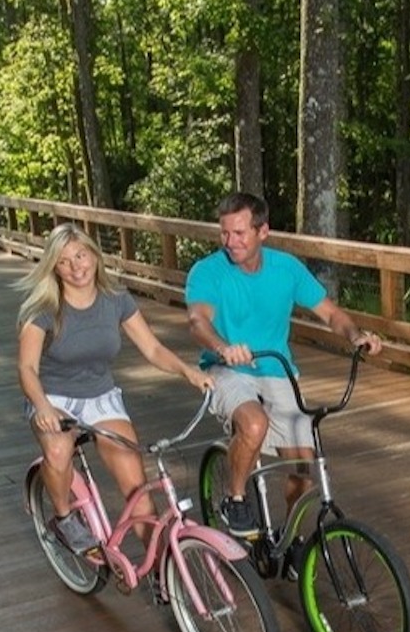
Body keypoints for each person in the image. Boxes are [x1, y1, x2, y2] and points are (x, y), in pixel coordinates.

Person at [184, 191, 382, 538]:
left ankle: (291, 537)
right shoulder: (208, 271)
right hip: (227, 369)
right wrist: (223, 347)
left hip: (276, 369)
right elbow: (198, 321)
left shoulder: (286, 268)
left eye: (240, 233)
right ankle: (235, 496)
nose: (230, 242)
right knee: (254, 425)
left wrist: (355, 335)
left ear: (263, 232)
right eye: (225, 233)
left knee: (304, 465)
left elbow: (330, 313)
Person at [19, 222, 214, 555]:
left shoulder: (116, 299)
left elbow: (152, 349)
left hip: (100, 395)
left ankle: (161, 571)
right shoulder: (44, 309)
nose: (76, 266)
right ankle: (65, 518)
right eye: (64, 261)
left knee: (138, 491)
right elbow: (27, 368)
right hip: (53, 397)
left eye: (81, 255)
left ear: (94, 255)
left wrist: (188, 372)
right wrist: (43, 407)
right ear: (54, 267)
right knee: (58, 451)